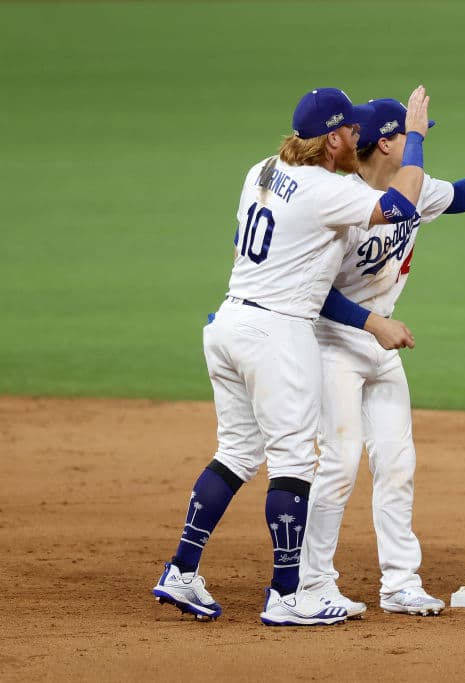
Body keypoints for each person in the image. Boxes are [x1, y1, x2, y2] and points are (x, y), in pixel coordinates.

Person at [152, 85, 431, 626]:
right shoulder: (325, 189)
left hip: (231, 318)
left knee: (236, 452)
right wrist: (414, 134)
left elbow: (243, 239)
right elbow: (398, 205)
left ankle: (182, 570)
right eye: (351, 131)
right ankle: (287, 594)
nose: (358, 137)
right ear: (332, 141)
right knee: (294, 462)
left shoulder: (262, 168)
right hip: (278, 334)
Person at [297, 99, 465, 616]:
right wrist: (373, 323)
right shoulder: (341, 201)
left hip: (381, 345)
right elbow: (317, 292)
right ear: (389, 142)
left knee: (397, 465)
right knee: (341, 464)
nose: (422, 142)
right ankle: (312, 583)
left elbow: (463, 195)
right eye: (414, 135)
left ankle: (399, 582)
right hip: (333, 344)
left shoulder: (412, 191)